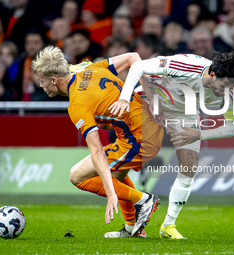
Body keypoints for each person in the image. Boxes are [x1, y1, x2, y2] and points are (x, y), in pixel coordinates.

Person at [109, 50, 234, 239]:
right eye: (224, 85)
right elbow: (138, 66)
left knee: (189, 167)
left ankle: (168, 227)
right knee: (120, 170)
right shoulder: (187, 65)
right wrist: (124, 99)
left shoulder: (229, 90)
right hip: (153, 96)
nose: (226, 91)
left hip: (184, 113)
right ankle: (130, 227)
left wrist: (199, 134)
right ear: (213, 74)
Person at [31, 46, 163, 238]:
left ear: (54, 80)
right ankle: (131, 228)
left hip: (141, 141)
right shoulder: (89, 68)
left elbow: (97, 151)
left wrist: (110, 193)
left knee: (77, 176)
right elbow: (133, 58)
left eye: (42, 82)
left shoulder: (77, 104)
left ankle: (143, 200)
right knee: (115, 175)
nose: (41, 86)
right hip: (142, 128)